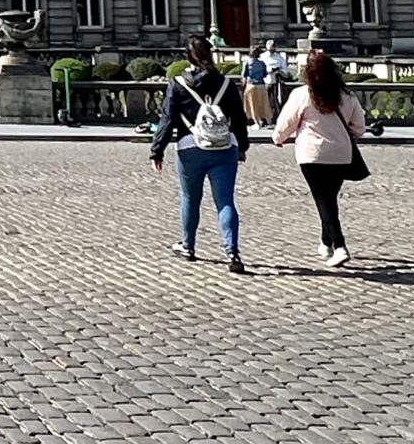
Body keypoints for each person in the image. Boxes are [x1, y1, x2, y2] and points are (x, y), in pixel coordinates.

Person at [149, 35, 253, 273]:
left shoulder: (178, 84)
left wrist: (157, 151)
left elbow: (167, 120)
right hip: (224, 147)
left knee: (190, 198)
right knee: (225, 201)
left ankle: (188, 245)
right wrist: (242, 147)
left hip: (189, 147)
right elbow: (239, 118)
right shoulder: (225, 83)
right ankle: (232, 252)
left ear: (188, 56)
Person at [271, 48, 368, 268]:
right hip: (340, 154)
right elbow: (359, 128)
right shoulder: (347, 95)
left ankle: (340, 245)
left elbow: (287, 122)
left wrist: (278, 138)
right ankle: (326, 242)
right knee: (329, 198)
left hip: (311, 155)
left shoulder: (302, 94)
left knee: (324, 200)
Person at [241, 43, 274, 126]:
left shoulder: (247, 63)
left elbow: (244, 75)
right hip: (261, 85)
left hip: (251, 85)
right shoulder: (262, 63)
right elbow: (265, 74)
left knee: (252, 105)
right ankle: (267, 119)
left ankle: (256, 120)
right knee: (264, 104)